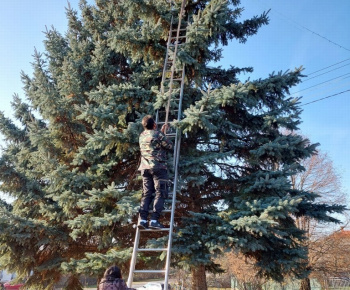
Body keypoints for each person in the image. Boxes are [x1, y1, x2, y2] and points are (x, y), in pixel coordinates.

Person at [138, 115, 173, 229]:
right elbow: (169, 146)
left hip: (145, 168)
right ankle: (154, 220)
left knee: (147, 193)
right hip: (158, 167)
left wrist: (160, 132)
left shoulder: (141, 136)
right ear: (154, 125)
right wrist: (163, 133)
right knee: (160, 193)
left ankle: (142, 220)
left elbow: (152, 141)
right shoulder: (158, 134)